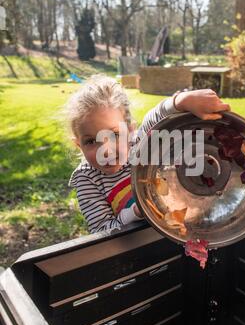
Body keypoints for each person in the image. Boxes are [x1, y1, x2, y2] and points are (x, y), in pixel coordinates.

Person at [65, 75, 230, 235]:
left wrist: (179, 101)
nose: (106, 151)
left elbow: (155, 120)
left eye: (115, 135)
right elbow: (102, 231)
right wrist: (138, 211)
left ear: (130, 131)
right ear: (78, 145)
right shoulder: (87, 178)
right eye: (91, 141)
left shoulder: (138, 145)